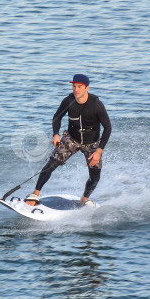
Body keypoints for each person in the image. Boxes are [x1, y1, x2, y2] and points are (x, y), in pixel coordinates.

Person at [25, 74, 111, 207]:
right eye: (74, 86)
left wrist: (99, 151)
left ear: (87, 88)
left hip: (92, 143)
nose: (76, 89)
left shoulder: (96, 105)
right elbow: (57, 117)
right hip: (71, 138)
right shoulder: (68, 101)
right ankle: (35, 194)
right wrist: (56, 134)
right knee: (51, 164)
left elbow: (108, 128)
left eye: (79, 87)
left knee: (95, 176)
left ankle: (84, 199)